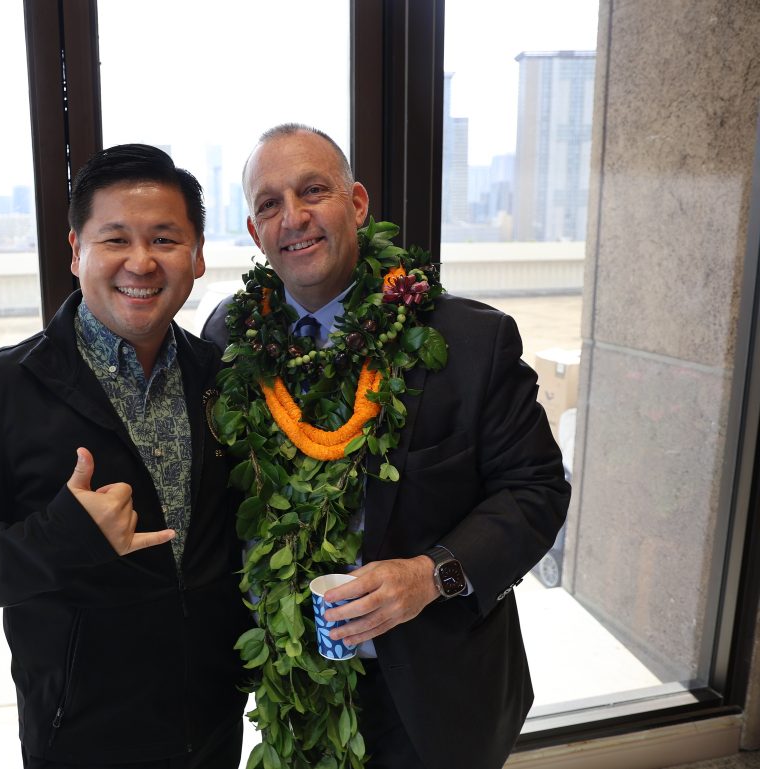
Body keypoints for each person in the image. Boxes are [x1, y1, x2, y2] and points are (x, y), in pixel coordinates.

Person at [202, 124, 570, 769]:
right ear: (256, 233)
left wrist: (431, 575)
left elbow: (536, 490)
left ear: (357, 203)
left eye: (314, 191)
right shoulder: (231, 335)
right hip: (292, 686)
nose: (294, 217)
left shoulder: (467, 340)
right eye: (270, 204)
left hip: (433, 692)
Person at [0, 144, 250, 769]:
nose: (140, 262)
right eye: (115, 239)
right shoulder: (0, 388)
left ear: (197, 256)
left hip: (214, 719)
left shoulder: (220, 377)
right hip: (81, 733)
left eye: (165, 239)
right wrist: (62, 537)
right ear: (75, 251)